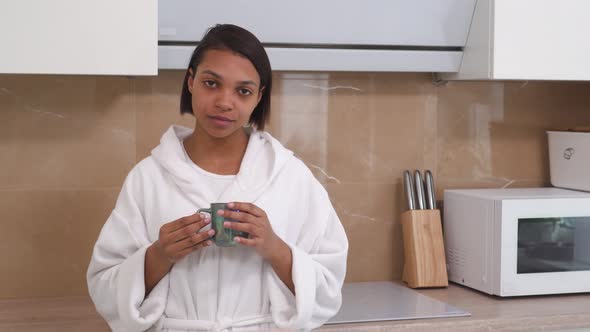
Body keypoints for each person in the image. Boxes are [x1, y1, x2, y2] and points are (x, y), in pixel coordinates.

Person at [87, 24, 348, 332]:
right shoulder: (149, 177)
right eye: (212, 83)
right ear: (190, 82)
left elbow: (329, 287)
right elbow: (104, 285)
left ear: (258, 97)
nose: (225, 102)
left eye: (243, 91)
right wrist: (159, 255)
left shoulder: (290, 178)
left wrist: (275, 248)